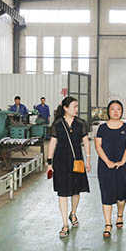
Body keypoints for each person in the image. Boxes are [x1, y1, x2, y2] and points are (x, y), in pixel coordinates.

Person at [46, 96, 91, 238]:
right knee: (63, 193)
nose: (77, 109)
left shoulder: (81, 123)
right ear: (65, 108)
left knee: (76, 191)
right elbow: (52, 143)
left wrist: (88, 160)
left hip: (77, 161)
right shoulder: (57, 124)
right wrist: (49, 163)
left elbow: (86, 142)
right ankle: (65, 224)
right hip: (60, 162)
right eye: (74, 106)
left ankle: (73, 213)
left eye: (77, 106)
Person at [94, 100, 126, 239]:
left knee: (121, 195)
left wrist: (122, 161)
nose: (116, 112)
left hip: (122, 166)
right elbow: (98, 146)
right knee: (106, 193)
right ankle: (107, 224)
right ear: (108, 111)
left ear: (122, 111)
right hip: (105, 166)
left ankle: (120, 215)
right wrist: (108, 162)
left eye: (118, 109)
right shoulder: (102, 128)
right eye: (113, 109)